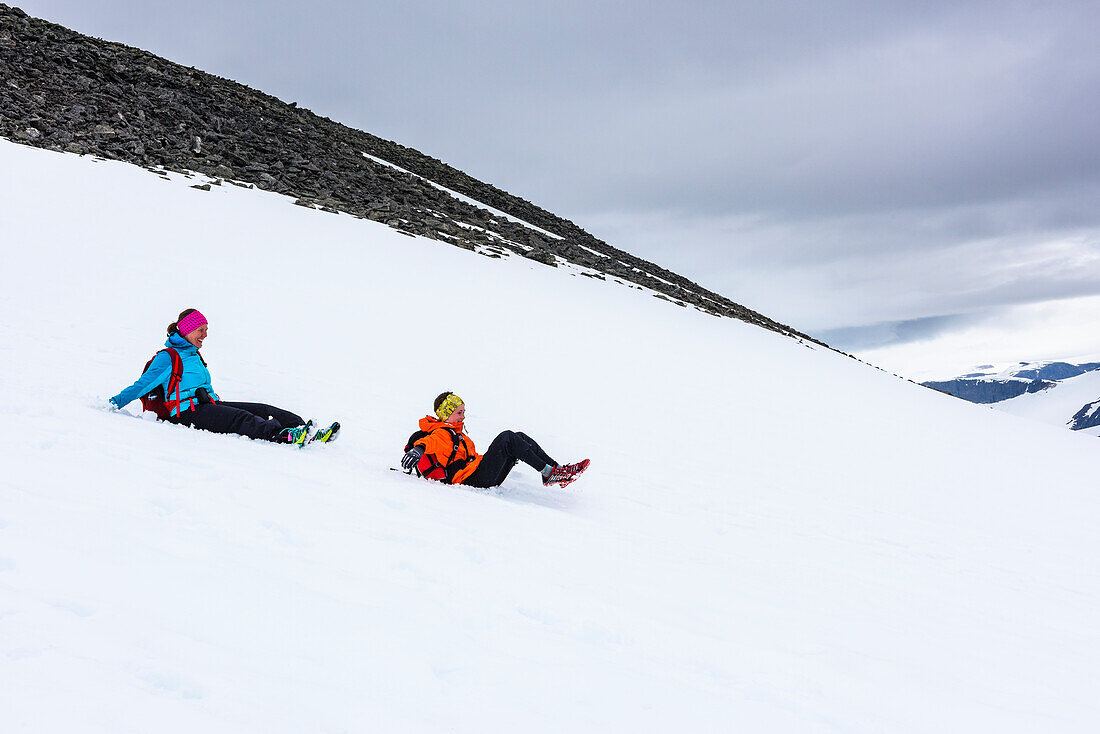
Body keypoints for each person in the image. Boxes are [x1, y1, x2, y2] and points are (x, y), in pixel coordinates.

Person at [109, 308, 338, 445]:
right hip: (185, 412)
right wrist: (114, 403)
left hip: (207, 404)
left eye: (206, 330)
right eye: (201, 330)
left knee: (262, 408)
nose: (205, 335)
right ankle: (285, 436)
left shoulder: (193, 354)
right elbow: (143, 385)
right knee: (241, 418)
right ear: (187, 330)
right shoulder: (167, 357)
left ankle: (306, 431)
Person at [400, 392, 588, 488]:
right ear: (446, 414)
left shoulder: (458, 434)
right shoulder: (442, 433)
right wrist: (418, 449)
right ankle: (550, 472)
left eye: (464, 412)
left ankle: (556, 471)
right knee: (507, 437)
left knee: (518, 437)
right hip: (468, 480)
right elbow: (431, 442)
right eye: (459, 412)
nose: (463, 416)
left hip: (476, 474)